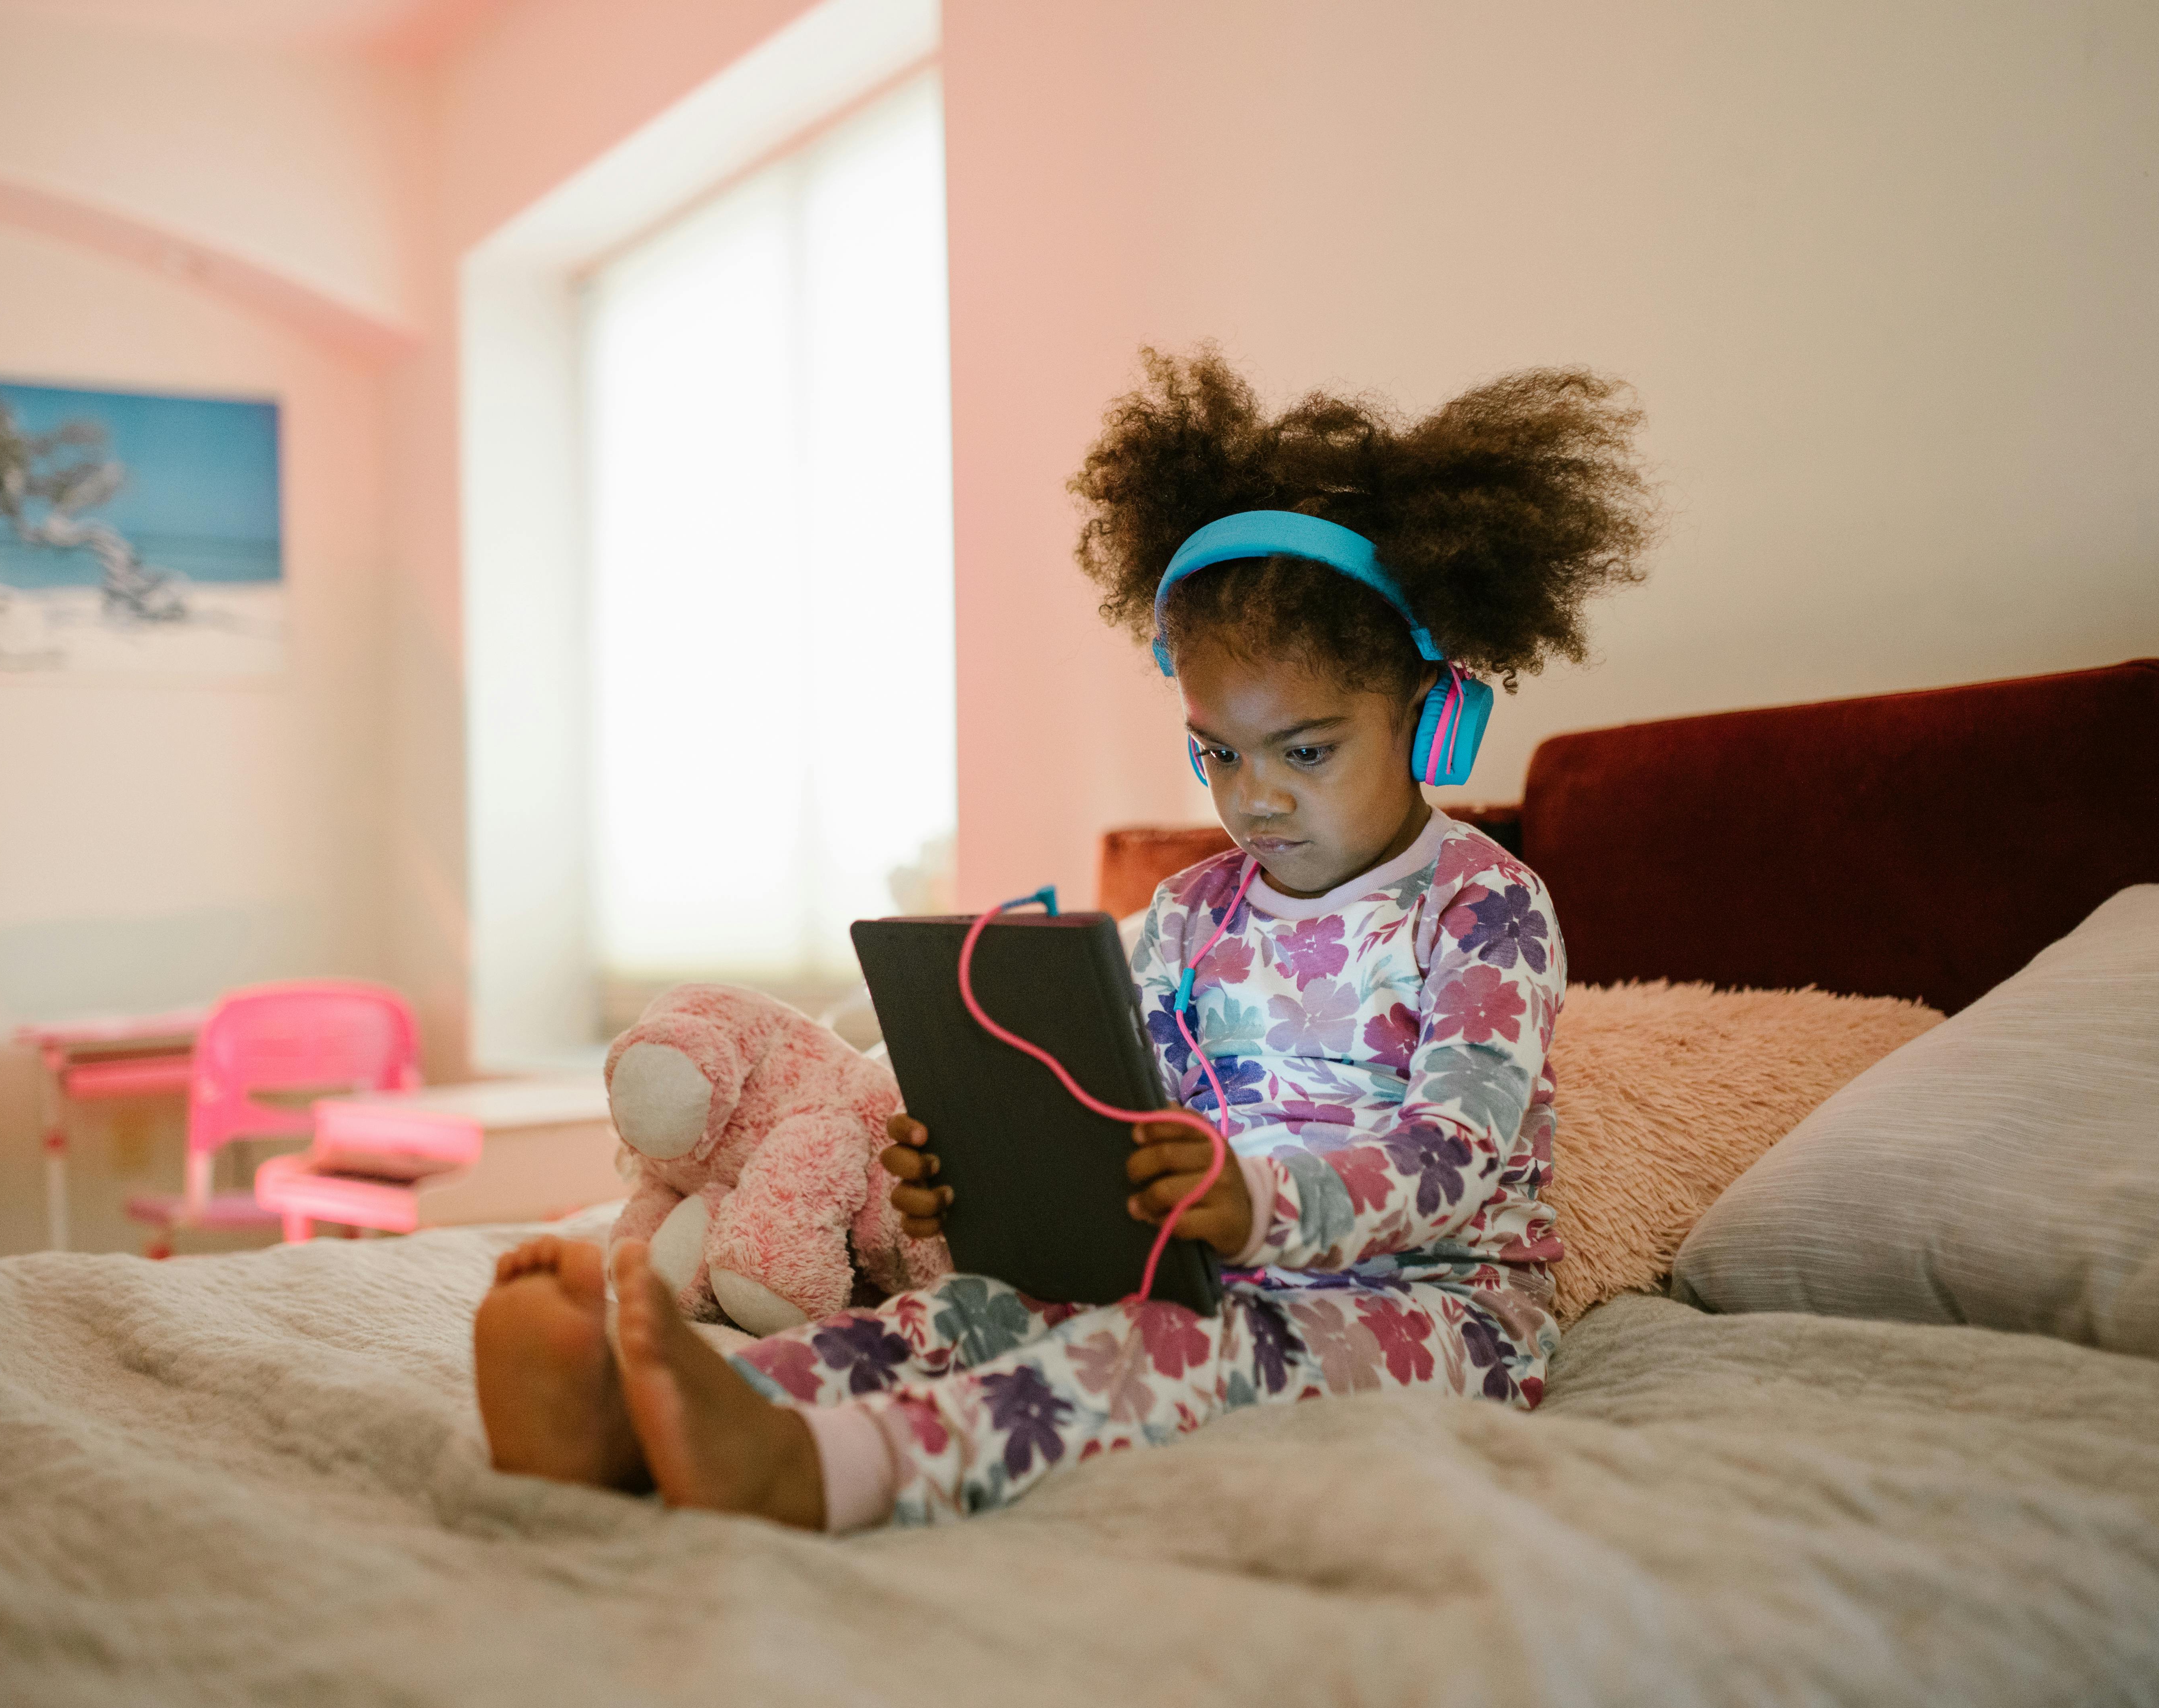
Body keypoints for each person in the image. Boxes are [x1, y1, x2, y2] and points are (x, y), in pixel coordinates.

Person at [471, 346, 1655, 1529]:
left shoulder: (1481, 902)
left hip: (1430, 1313)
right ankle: (653, 1418)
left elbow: (1451, 1158)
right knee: (955, 1318)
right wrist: (976, 1179)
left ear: (1430, 715)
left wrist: (1253, 1201)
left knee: (1154, 1357)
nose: (1256, 798)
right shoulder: (1193, 910)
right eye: (1218, 752)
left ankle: (823, 1469)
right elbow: (1119, 1117)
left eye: (1305, 749)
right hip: (1196, 1276)